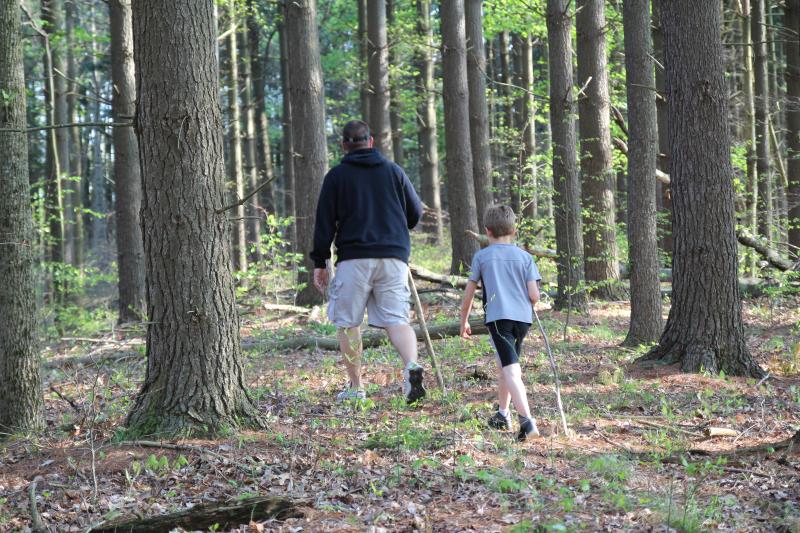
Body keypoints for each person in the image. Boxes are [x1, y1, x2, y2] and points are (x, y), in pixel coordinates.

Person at [311, 120, 426, 404]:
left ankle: (356, 386)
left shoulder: (337, 176)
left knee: (348, 323)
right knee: (397, 320)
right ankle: (411, 366)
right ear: (371, 141)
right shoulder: (394, 171)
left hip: (354, 260)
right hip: (393, 258)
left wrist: (320, 261)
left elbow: (324, 222)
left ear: (344, 145)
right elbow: (415, 214)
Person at [459, 205, 542, 441]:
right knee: (505, 364)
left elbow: (469, 293)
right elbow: (534, 296)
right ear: (514, 231)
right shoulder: (525, 257)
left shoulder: (482, 257)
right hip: (522, 320)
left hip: (498, 320)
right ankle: (502, 414)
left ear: (487, 231)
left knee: (511, 370)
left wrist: (463, 320)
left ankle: (527, 422)